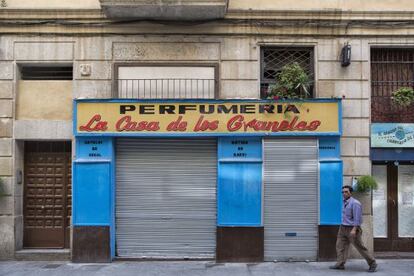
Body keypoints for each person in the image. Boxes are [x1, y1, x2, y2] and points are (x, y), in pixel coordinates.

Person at [329, 185, 378, 272]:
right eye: (343, 192)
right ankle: (340, 264)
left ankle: (372, 263)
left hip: (352, 229)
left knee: (360, 247)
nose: (344, 193)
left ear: (351, 193)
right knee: (340, 246)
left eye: (346, 192)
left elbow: (357, 218)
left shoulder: (355, 203)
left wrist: (354, 229)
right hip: (342, 228)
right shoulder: (344, 202)